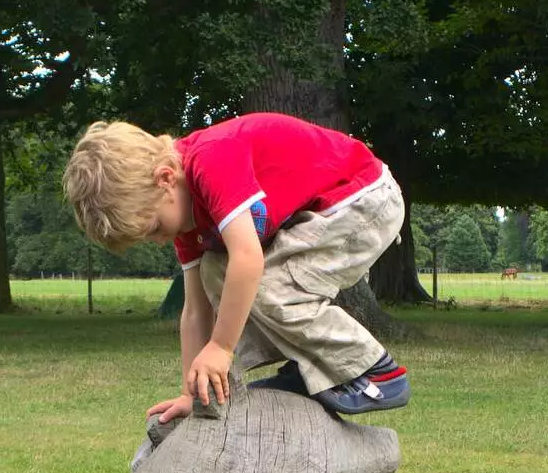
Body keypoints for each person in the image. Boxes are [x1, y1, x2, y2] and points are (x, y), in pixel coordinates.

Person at [63, 113, 411, 422]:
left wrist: (222, 348)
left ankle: (375, 371)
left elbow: (248, 258)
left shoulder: (212, 159)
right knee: (215, 269)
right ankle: (305, 362)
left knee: (265, 284)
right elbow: (196, 310)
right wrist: (190, 392)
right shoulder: (187, 219)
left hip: (363, 199)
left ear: (165, 179)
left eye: (154, 227)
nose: (157, 240)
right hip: (324, 213)